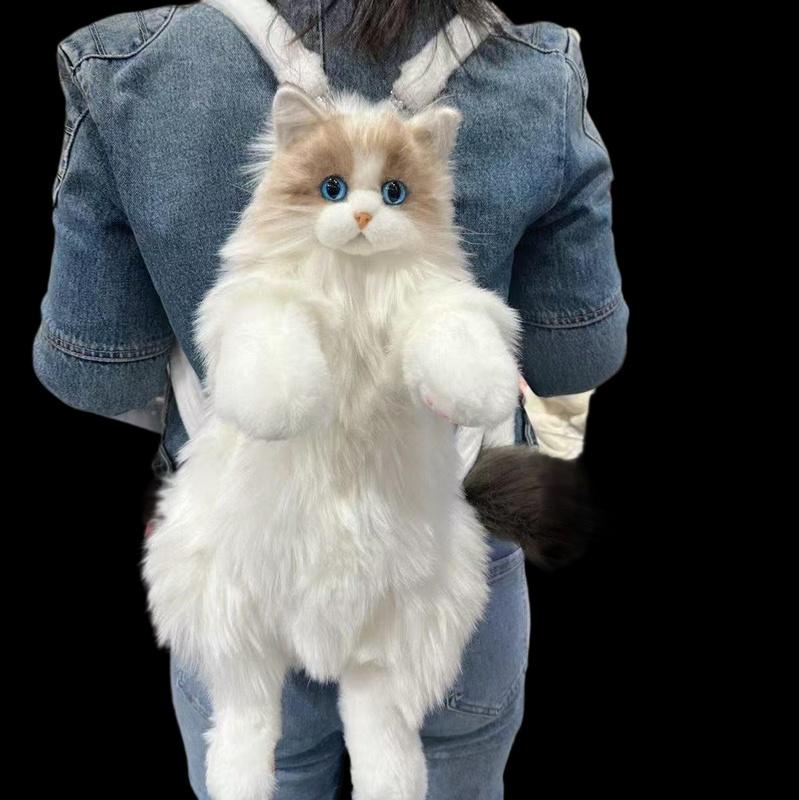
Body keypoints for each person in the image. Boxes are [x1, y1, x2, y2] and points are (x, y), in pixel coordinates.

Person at [32, 1, 629, 797]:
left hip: (251, 537)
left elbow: (94, 374)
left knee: (258, 738)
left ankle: (283, 730)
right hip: (425, 529)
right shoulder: (534, 69)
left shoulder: (128, 65)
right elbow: (577, 356)